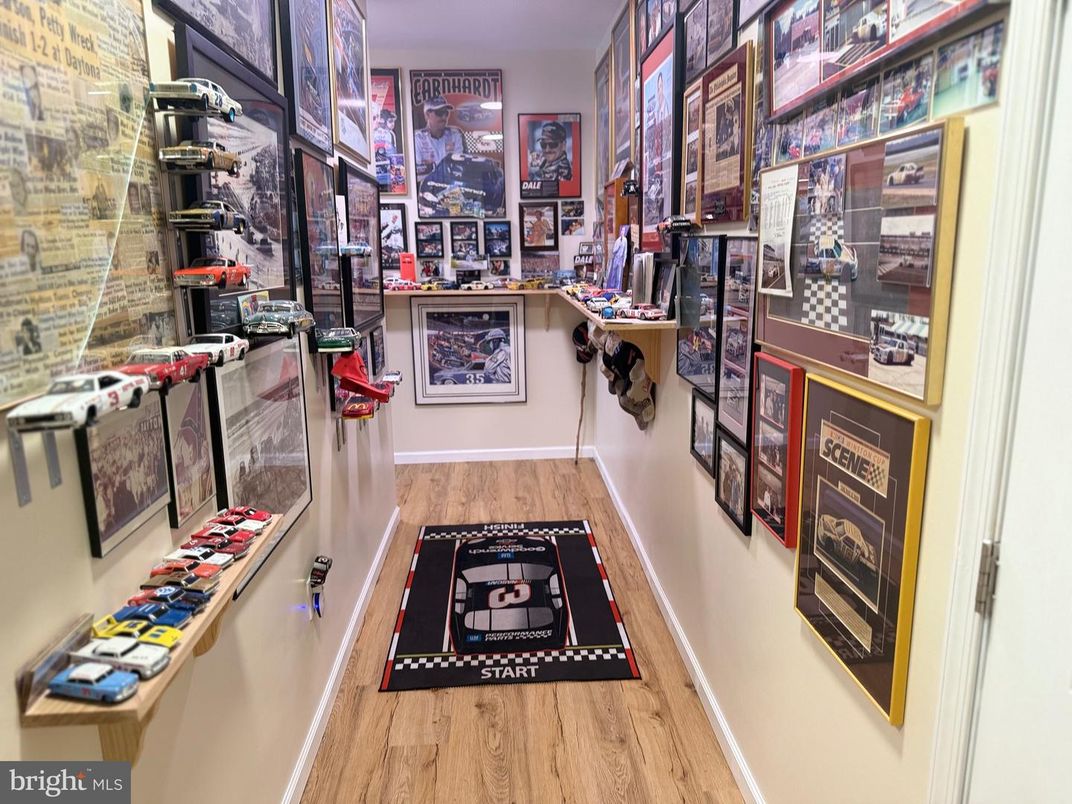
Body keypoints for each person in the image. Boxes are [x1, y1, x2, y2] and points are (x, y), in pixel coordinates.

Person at [413, 96, 464, 179]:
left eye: (446, 113)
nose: (444, 117)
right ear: (427, 115)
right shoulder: (417, 138)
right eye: (439, 113)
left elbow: (460, 166)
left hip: (452, 186)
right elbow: (419, 172)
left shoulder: (455, 135)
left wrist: (432, 166)